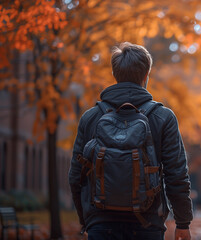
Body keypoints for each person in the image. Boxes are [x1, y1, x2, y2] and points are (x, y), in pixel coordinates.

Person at [69, 42, 193, 240]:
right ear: (146, 76)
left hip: (101, 225)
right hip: (148, 225)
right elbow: (176, 175)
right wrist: (183, 223)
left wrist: (86, 220)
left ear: (115, 74)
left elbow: (76, 177)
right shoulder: (163, 118)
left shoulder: (90, 118)